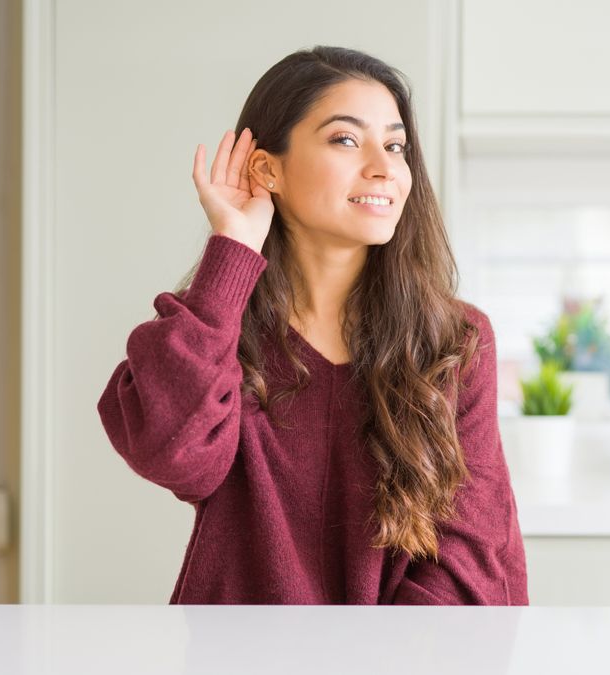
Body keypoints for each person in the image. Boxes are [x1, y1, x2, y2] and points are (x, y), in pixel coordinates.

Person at [96, 46, 528, 605]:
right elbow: (172, 454)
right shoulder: (215, 326)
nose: (384, 167)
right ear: (266, 167)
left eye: (395, 146)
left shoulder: (454, 341)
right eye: (346, 139)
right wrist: (231, 248)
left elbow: (471, 557)